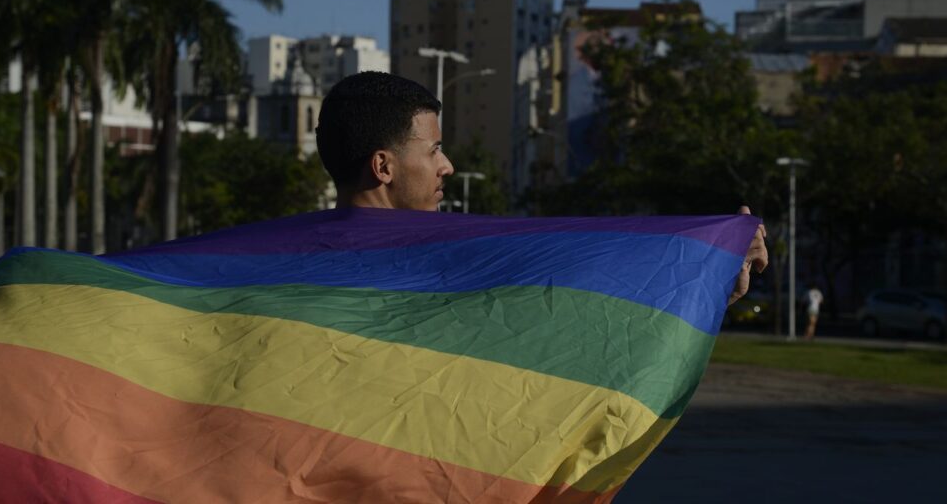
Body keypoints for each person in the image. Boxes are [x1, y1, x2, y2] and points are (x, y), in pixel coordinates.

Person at [315, 71, 767, 303]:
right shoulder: (445, 271)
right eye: (434, 150)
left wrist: (708, 282)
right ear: (383, 166)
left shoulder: (285, 271)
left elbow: (573, 310)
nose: (447, 166)